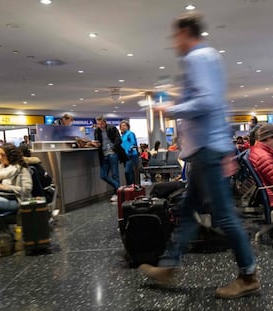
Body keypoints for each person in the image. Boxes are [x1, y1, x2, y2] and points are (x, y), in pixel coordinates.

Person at [139, 12, 260, 299]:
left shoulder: (197, 57)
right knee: (188, 209)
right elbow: (215, 104)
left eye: (175, 36)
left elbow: (206, 102)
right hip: (206, 148)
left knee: (224, 216)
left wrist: (169, 109)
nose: (174, 43)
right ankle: (169, 265)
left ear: (185, 33)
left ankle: (248, 275)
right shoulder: (209, 58)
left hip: (207, 149)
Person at [92, 115, 127, 202]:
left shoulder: (112, 128)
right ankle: (119, 187)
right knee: (103, 175)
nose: (99, 126)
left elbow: (119, 140)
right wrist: (96, 144)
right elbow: (98, 141)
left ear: (104, 122)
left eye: (100, 124)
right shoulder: (97, 131)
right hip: (104, 155)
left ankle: (117, 193)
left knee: (115, 174)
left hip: (113, 153)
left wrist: (113, 148)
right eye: (98, 124)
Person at [119, 120, 140, 185]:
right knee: (129, 173)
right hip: (125, 156)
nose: (123, 127)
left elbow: (133, 143)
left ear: (128, 126)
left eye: (124, 126)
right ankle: (130, 188)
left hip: (132, 155)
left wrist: (131, 148)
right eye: (121, 126)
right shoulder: (121, 136)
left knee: (128, 172)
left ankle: (133, 186)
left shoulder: (130, 133)